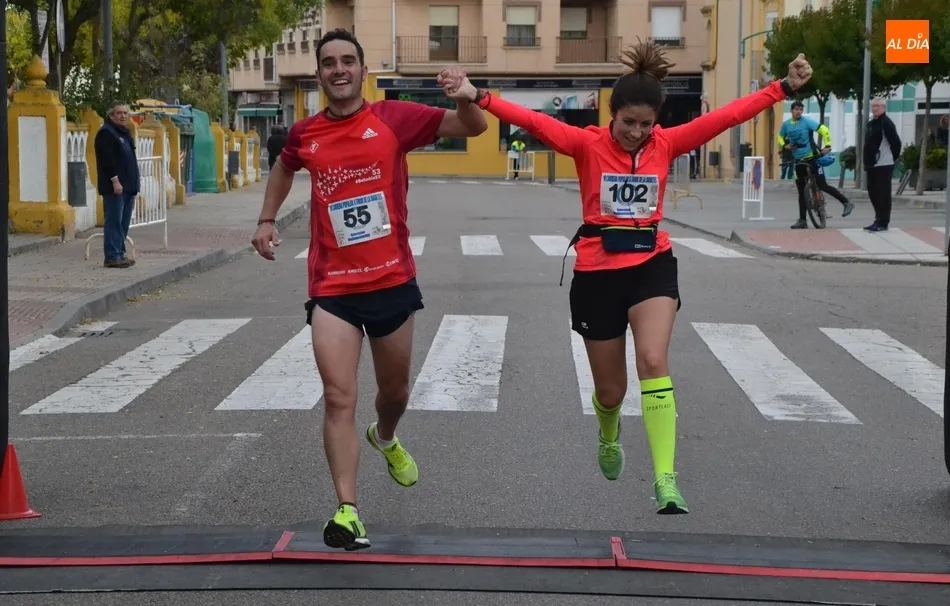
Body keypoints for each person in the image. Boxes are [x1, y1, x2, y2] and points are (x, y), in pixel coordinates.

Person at [439, 40, 813, 515]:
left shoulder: (667, 143)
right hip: (597, 273)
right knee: (611, 391)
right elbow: (534, 121)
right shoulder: (585, 144)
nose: (636, 133)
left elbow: (727, 117)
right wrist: (478, 95)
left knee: (654, 360)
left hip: (651, 263)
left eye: (646, 124)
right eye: (628, 123)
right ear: (610, 115)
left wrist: (781, 88)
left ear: (657, 121)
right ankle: (609, 430)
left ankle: (665, 478)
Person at [249, 28, 487, 551]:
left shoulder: (393, 118)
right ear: (319, 74)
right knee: (338, 397)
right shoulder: (305, 134)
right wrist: (267, 218)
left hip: (391, 281)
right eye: (329, 62)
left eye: (348, 61)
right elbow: (284, 166)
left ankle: (386, 436)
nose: (339, 69)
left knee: (394, 393)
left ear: (362, 70)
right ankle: (348, 510)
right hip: (332, 285)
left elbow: (472, 127)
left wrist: (466, 97)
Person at [777, 101, 854, 229]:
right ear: (791, 110)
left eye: (801, 109)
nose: (798, 112)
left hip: (813, 158)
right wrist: (785, 145)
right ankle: (802, 220)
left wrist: (828, 145)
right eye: (796, 109)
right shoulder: (786, 125)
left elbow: (823, 129)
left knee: (822, 185)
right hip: (799, 161)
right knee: (801, 191)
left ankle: (846, 202)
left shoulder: (807, 122)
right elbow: (780, 137)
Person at [94, 102, 141, 268]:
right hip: (116, 187)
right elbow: (107, 161)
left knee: (123, 222)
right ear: (111, 115)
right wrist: (115, 181)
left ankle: (120, 253)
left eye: (125, 113)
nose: (123, 116)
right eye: (119, 113)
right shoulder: (106, 133)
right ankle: (112, 256)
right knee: (114, 221)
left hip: (128, 186)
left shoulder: (124, 133)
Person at [862, 98, 902, 232]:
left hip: (884, 164)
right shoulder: (871, 123)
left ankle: (883, 222)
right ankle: (878, 220)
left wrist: (891, 157)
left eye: (878, 106)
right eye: (873, 106)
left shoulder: (886, 123)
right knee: (873, 193)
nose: (875, 108)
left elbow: (896, 143)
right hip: (872, 165)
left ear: (884, 108)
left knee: (882, 194)